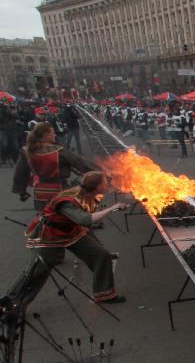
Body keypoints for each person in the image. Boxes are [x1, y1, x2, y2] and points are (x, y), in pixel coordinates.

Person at [6, 172, 128, 307]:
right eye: (105, 182)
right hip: (50, 233)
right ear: (96, 186)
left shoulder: (93, 194)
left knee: (101, 255)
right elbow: (85, 219)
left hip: (71, 230)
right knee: (38, 269)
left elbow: (86, 217)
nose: (108, 184)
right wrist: (112, 208)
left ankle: (104, 294)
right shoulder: (68, 201)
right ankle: (11, 302)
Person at [12, 122, 98, 213]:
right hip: (60, 191)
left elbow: (20, 173)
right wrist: (102, 173)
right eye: (52, 132)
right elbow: (82, 164)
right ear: (46, 135)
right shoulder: (59, 151)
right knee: (66, 220)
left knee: (45, 218)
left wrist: (22, 191)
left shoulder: (27, 151)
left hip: (41, 193)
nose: (55, 135)